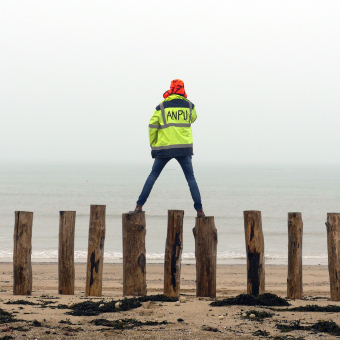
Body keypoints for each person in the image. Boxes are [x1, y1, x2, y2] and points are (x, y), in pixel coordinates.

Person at [134, 79, 204, 217]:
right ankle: (200, 211)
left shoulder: (161, 107)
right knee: (191, 179)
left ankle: (138, 206)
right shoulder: (190, 105)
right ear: (183, 89)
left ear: (171, 88)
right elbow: (193, 118)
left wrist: (154, 145)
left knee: (153, 175)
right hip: (184, 148)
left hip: (164, 148)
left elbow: (152, 126)